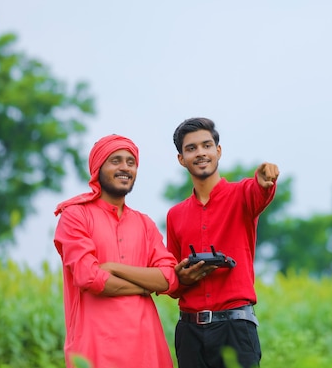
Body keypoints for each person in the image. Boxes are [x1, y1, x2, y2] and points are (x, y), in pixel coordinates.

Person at [53, 134, 179, 368]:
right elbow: (89, 277)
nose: (125, 168)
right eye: (116, 161)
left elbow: (169, 278)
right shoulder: (75, 215)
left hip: (147, 350)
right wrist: (144, 286)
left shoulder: (145, 224)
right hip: (95, 350)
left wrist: (113, 268)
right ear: (98, 168)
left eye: (131, 163)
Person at [167, 117, 279, 368]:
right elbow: (172, 282)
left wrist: (265, 180)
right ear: (181, 159)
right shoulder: (175, 215)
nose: (200, 153)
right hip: (189, 333)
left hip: (236, 329)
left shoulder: (242, 195)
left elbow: (259, 192)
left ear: (218, 151)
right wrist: (183, 277)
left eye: (207, 145)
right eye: (191, 148)